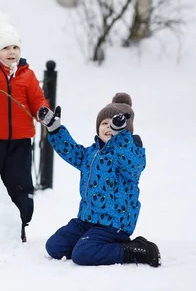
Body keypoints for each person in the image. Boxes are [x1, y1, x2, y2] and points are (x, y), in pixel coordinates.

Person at [37, 93, 161, 267]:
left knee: (82, 254)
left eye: (114, 124)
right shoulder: (91, 153)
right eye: (104, 123)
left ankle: (131, 249)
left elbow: (133, 166)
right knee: (54, 246)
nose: (108, 127)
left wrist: (121, 138)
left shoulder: (130, 152)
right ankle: (91, 244)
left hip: (114, 224)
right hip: (87, 219)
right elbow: (71, 150)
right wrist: (55, 129)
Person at [0, 14, 49, 242]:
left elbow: (37, 99)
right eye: (6, 48)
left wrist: (42, 112)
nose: (12, 52)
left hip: (20, 141)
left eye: (15, 47)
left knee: (19, 183)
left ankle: (20, 223)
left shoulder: (26, 75)